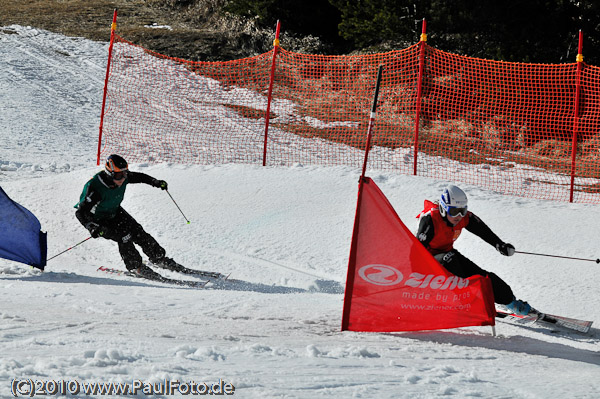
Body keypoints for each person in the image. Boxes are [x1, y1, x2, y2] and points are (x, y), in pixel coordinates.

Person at [416, 184, 531, 315]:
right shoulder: (430, 220)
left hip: (448, 254)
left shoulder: (463, 218)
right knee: (451, 262)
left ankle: (511, 303)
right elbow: (417, 252)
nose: (458, 216)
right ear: (443, 209)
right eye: (454, 211)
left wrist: (500, 245)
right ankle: (467, 300)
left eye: (462, 211)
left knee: (482, 277)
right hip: (430, 262)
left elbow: (482, 231)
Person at [75, 154, 182, 279]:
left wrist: (155, 182)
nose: (124, 177)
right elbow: (81, 212)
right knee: (124, 237)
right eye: (120, 175)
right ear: (110, 174)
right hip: (99, 220)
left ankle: (158, 258)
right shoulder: (95, 188)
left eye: (125, 173)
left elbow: (139, 177)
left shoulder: (123, 177)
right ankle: (136, 267)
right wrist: (91, 226)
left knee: (138, 231)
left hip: (114, 211)